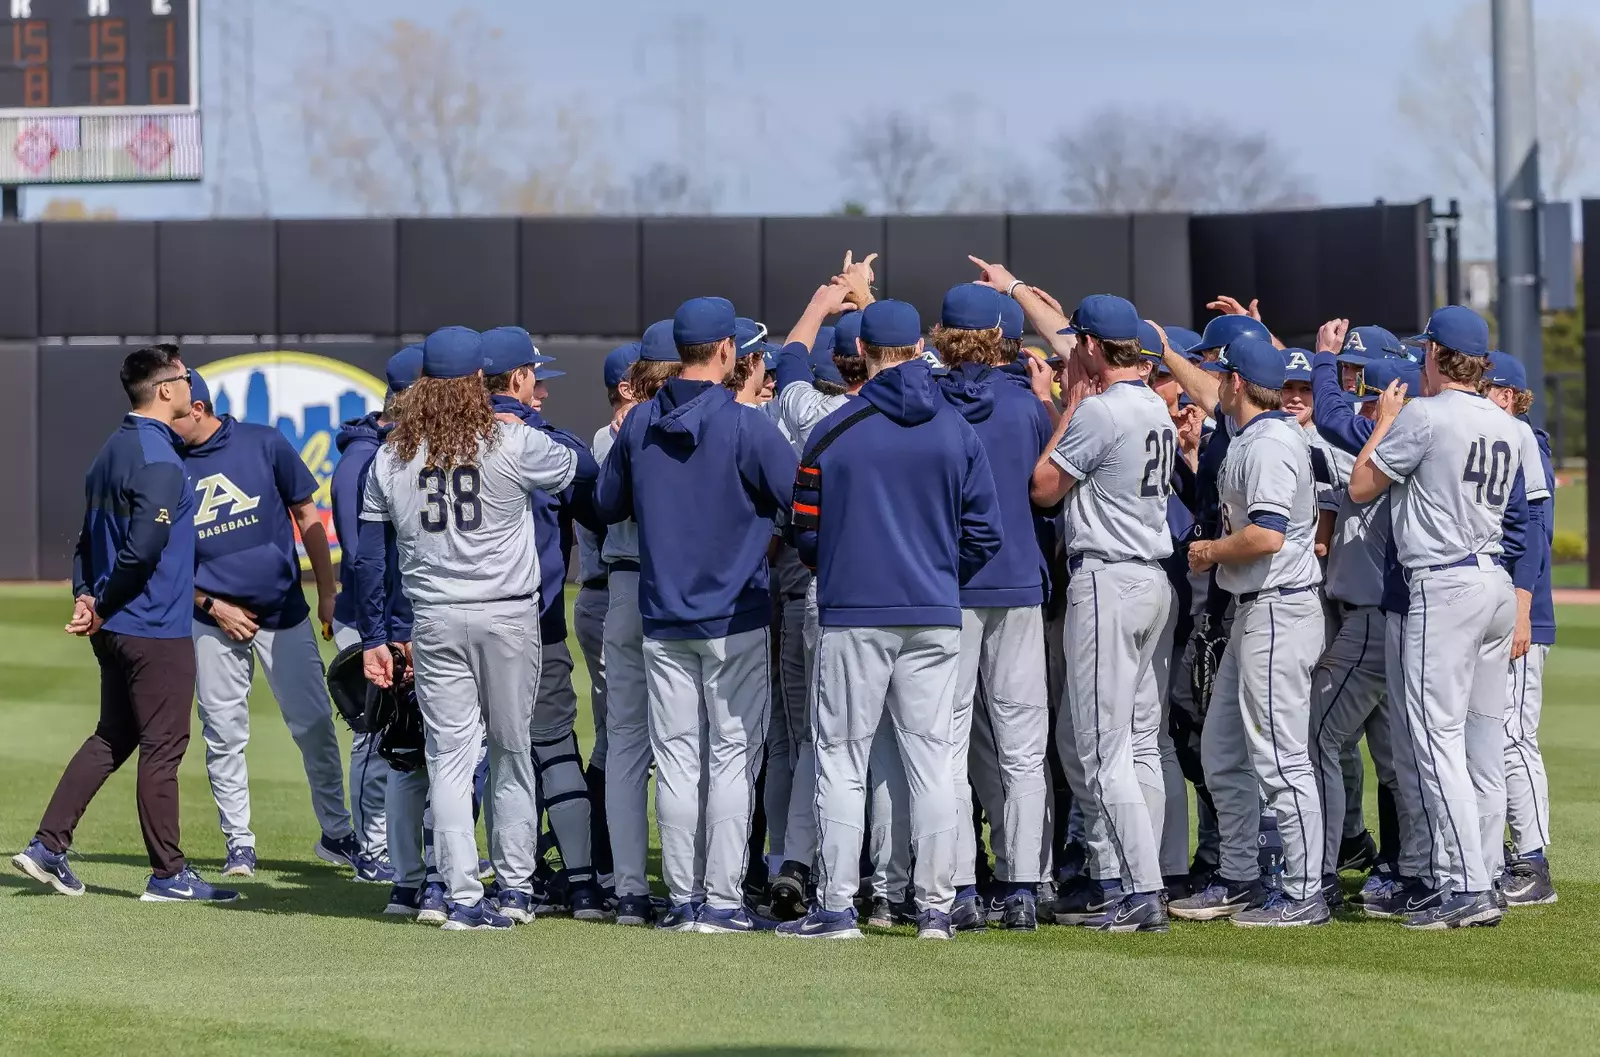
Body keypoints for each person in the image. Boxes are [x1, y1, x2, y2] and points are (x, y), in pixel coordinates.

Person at [778, 298, 1003, 941]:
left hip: (854, 612)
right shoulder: (957, 428)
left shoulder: (833, 428)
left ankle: (838, 906)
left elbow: (806, 533)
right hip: (934, 610)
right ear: (916, 348)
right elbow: (986, 534)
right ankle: (934, 907)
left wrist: (851, 568)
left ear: (866, 353)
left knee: (842, 758)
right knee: (932, 759)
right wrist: (934, 572)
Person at [357, 325, 579, 931]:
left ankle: (458, 895)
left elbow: (369, 557)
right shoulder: (512, 440)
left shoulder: (391, 453)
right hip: (506, 614)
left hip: (434, 617)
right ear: (481, 379)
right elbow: (575, 466)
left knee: (449, 757)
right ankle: (513, 890)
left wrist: (376, 635)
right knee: (511, 752)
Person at [594, 296, 798, 934]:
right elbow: (804, 502)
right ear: (727, 352)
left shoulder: (637, 427)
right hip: (735, 615)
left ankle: (684, 901)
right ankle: (722, 900)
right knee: (732, 757)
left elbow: (607, 503)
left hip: (662, 614)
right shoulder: (748, 426)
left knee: (678, 759)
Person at [12, 345, 239, 903]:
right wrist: (104, 602)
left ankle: (47, 848)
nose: (191, 385)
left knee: (114, 735)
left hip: (119, 625)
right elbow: (140, 552)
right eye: (185, 378)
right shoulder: (157, 456)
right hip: (152, 626)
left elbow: (87, 540)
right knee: (164, 746)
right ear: (166, 390)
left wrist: (87, 596)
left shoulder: (111, 448)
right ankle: (168, 875)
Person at [1346, 305, 1525, 929]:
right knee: (1479, 742)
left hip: (1443, 586)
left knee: (1434, 739)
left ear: (1435, 355)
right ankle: (1487, 877)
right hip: (1494, 581)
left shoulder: (1425, 414)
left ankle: (1465, 884)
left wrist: (1386, 421)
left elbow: (1362, 486)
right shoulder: (1507, 423)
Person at [1160, 331, 1330, 928]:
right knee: (1223, 749)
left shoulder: (1268, 445)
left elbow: (1267, 535)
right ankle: (1240, 878)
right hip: (1255, 610)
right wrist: (1170, 354)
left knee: (1281, 758)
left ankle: (1306, 890)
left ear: (1238, 382)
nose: (1217, 384)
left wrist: (1208, 552)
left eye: (1222, 376)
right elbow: (1210, 392)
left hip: (1279, 606)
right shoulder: (1252, 430)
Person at [1021, 294, 1178, 933]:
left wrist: (1071, 408)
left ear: (1090, 346)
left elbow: (1042, 487)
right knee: (1135, 744)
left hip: (1109, 580)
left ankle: (1140, 890)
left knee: (1097, 747)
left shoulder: (1102, 411)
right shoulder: (1157, 410)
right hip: (1150, 579)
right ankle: (1128, 879)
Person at [181, 369, 362, 880]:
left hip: (283, 612)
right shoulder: (166, 463)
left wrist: (328, 592)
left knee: (315, 727)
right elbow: (164, 560)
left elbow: (308, 517)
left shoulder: (264, 442)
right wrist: (212, 605)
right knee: (223, 734)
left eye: (174, 413)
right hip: (211, 620)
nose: (166, 423)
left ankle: (337, 834)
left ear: (198, 407)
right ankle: (239, 844)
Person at [930, 281, 1053, 932]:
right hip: (1016, 583)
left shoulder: (925, 404)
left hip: (948, 585)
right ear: (1001, 336)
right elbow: (1048, 496)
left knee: (948, 745)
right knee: (1021, 746)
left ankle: (958, 889)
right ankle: (1023, 885)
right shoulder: (1026, 406)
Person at [765, 280, 870, 921]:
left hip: (811, 589)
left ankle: (796, 862)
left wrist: (824, 302)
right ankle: (884, 881)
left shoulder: (806, 411)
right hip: (887, 594)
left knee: (810, 740)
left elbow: (790, 360)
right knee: (882, 743)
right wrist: (865, 300)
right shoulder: (918, 408)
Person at [331, 346, 428, 915]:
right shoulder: (361, 461)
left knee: (409, 738)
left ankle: (401, 848)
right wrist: (382, 631)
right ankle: (371, 848)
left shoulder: (398, 452)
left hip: (402, 617)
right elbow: (363, 554)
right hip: (373, 618)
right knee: (377, 735)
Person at [597, 319, 678, 926]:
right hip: (672, 587)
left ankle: (628, 889)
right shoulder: (680, 425)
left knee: (625, 742)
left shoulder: (608, 434)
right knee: (685, 745)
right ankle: (691, 888)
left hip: (620, 588)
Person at [1481, 351, 1557, 907]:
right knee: (1491, 733)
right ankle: (1508, 855)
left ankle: (1533, 862)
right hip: (1494, 610)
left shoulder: (1528, 444)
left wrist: (1524, 611)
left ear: (1507, 396)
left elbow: (1535, 537)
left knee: (1512, 736)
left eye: (1486, 389)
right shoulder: (1496, 442)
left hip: (1522, 613)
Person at [572, 341, 642, 902]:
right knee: (618, 738)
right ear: (627, 387)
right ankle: (599, 863)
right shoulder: (612, 435)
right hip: (607, 588)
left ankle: (603, 860)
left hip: (615, 592)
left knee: (623, 736)